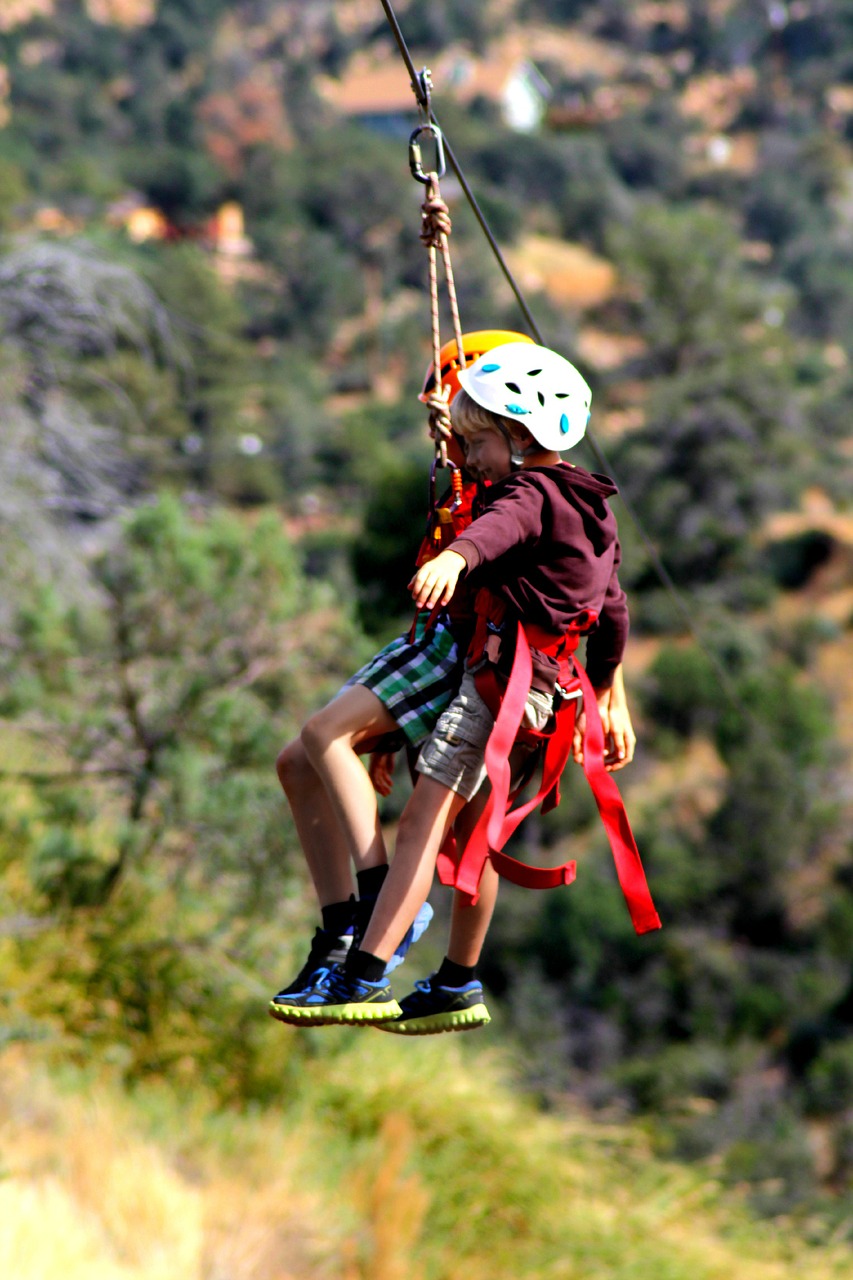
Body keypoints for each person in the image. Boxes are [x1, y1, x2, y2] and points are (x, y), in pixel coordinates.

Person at [269, 341, 646, 1027]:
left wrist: (455, 557)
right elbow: (613, 611)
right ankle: (453, 981)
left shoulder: (527, 493)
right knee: (476, 835)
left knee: (423, 823)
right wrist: (604, 686)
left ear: (520, 436)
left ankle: (362, 971)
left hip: (500, 685)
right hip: (548, 692)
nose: (466, 458)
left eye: (476, 443)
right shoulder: (592, 505)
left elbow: (500, 524)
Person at [270, 332, 533, 1004]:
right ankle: (342, 929)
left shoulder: (510, 486)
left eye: (453, 421)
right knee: (299, 760)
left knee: (337, 747)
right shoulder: (466, 473)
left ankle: (389, 914)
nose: (442, 433)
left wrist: (609, 687)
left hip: (471, 650)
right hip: (442, 637)